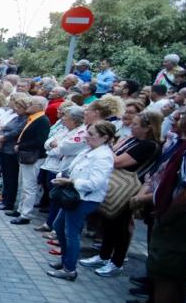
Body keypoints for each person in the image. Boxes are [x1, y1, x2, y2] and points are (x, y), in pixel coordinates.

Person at [122, 103, 186, 303]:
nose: (177, 117)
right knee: (176, 275)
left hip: (183, 220)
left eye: (184, 115)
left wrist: (167, 215)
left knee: (167, 274)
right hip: (185, 219)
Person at [80, 110, 160, 277]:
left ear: (147, 128)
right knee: (109, 223)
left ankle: (116, 262)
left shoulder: (148, 145)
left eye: (136, 124)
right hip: (115, 185)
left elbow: (115, 161)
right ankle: (103, 256)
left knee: (121, 227)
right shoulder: (133, 140)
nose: (131, 126)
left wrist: (107, 149)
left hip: (126, 189)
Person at [47, 121, 117, 281]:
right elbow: (72, 169)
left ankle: (69, 269)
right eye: (88, 132)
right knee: (58, 226)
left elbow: (94, 183)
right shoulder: (88, 150)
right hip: (74, 197)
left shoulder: (103, 156)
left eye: (91, 134)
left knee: (71, 233)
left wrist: (70, 182)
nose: (87, 136)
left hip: (84, 199)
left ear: (105, 137)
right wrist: (63, 177)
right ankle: (66, 260)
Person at [36, 104, 88, 235]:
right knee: (52, 196)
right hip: (50, 165)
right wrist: (53, 146)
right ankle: (50, 223)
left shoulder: (81, 132)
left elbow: (65, 148)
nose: (63, 118)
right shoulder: (64, 129)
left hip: (62, 168)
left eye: (66, 116)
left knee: (59, 199)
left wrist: (55, 147)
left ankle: (56, 228)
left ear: (75, 120)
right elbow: (48, 142)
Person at [10, 96, 50, 225]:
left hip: (33, 157)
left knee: (29, 186)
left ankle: (26, 214)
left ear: (39, 106)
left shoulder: (42, 120)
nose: (28, 105)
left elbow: (40, 141)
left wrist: (20, 146)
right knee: (23, 184)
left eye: (31, 104)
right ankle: (21, 209)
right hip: (26, 155)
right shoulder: (34, 118)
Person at [0, 93, 29, 214]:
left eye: (19, 107)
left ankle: (9, 202)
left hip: (11, 150)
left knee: (11, 178)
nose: (16, 109)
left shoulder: (25, 119)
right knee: (6, 176)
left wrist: (3, 137)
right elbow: (4, 127)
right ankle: (5, 198)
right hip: (4, 148)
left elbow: (16, 132)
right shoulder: (16, 117)